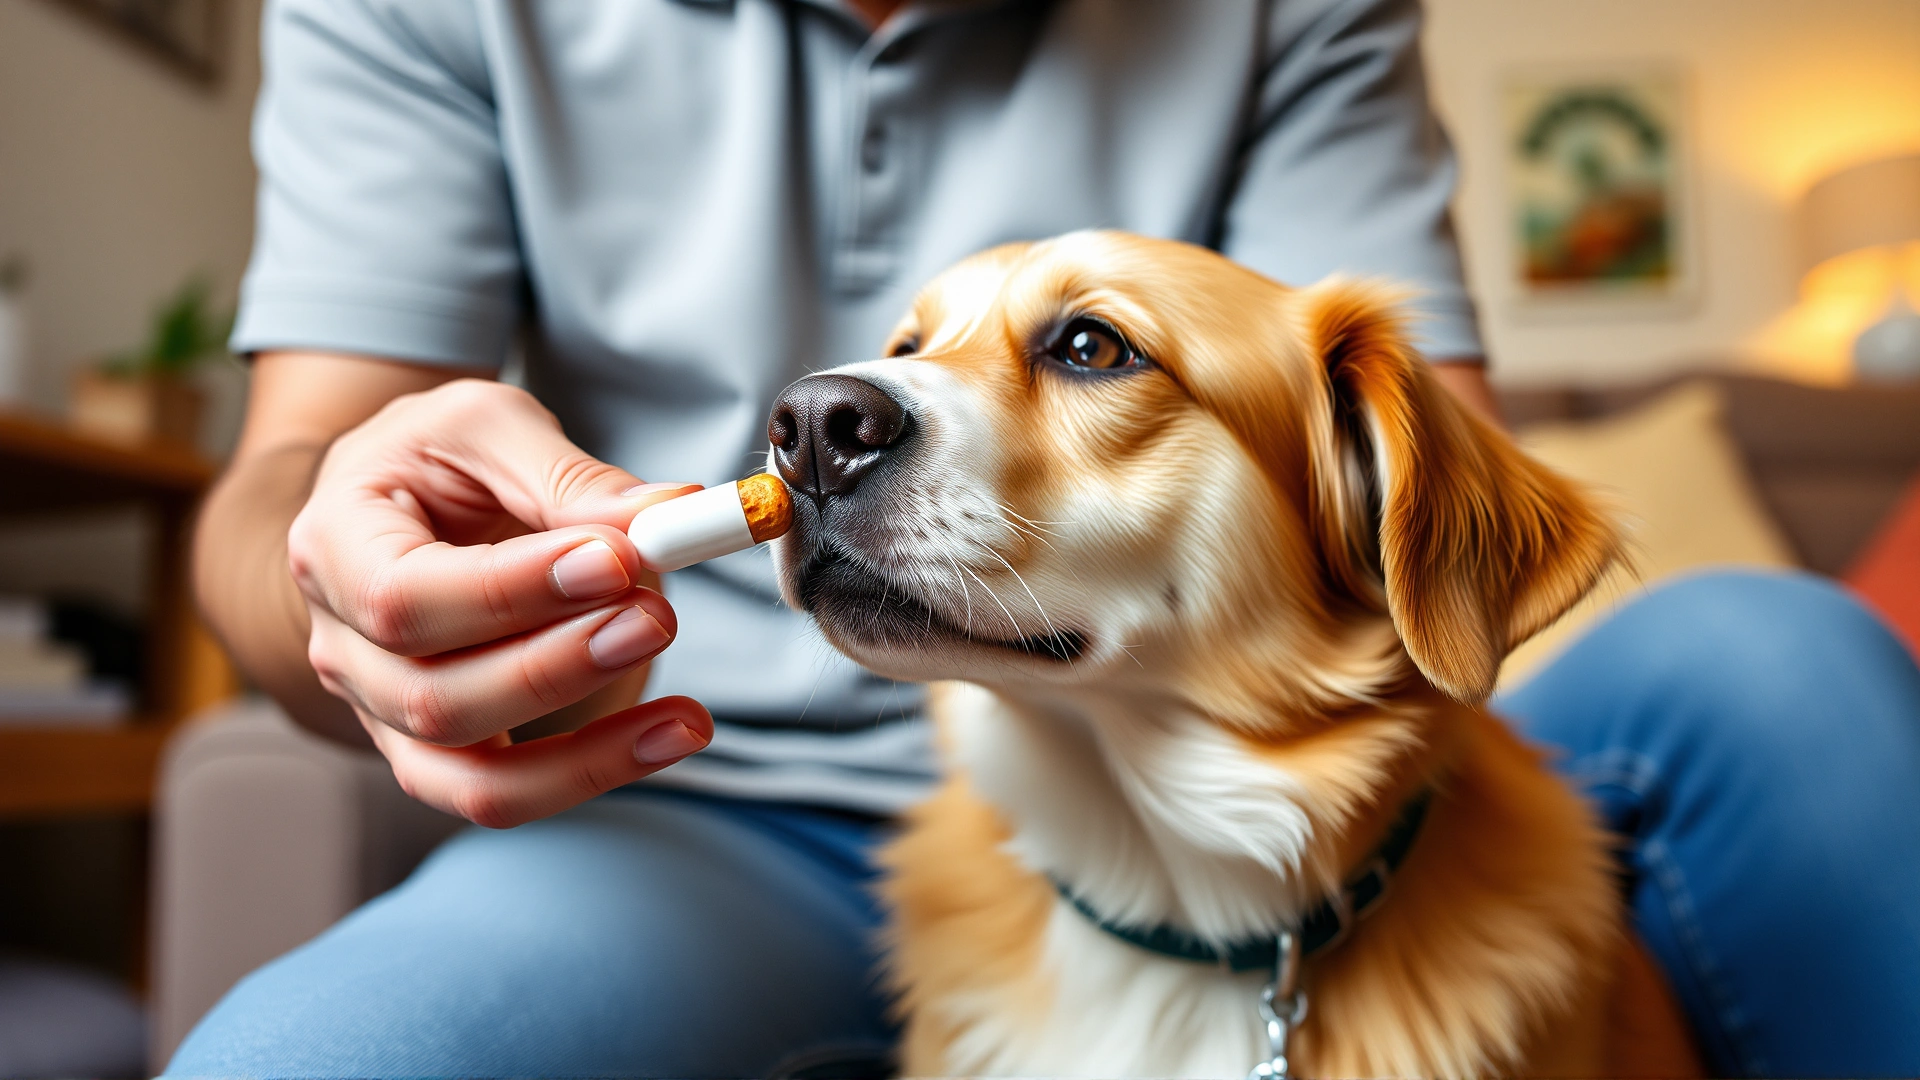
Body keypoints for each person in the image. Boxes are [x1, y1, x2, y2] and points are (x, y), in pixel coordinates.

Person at [170, 1, 1920, 1076]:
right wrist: (345, 562)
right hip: (701, 800)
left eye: (1085, 354)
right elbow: (286, 480)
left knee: (1792, 651)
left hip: (1317, 785)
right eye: (912, 357)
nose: (837, 413)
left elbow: (1421, 540)